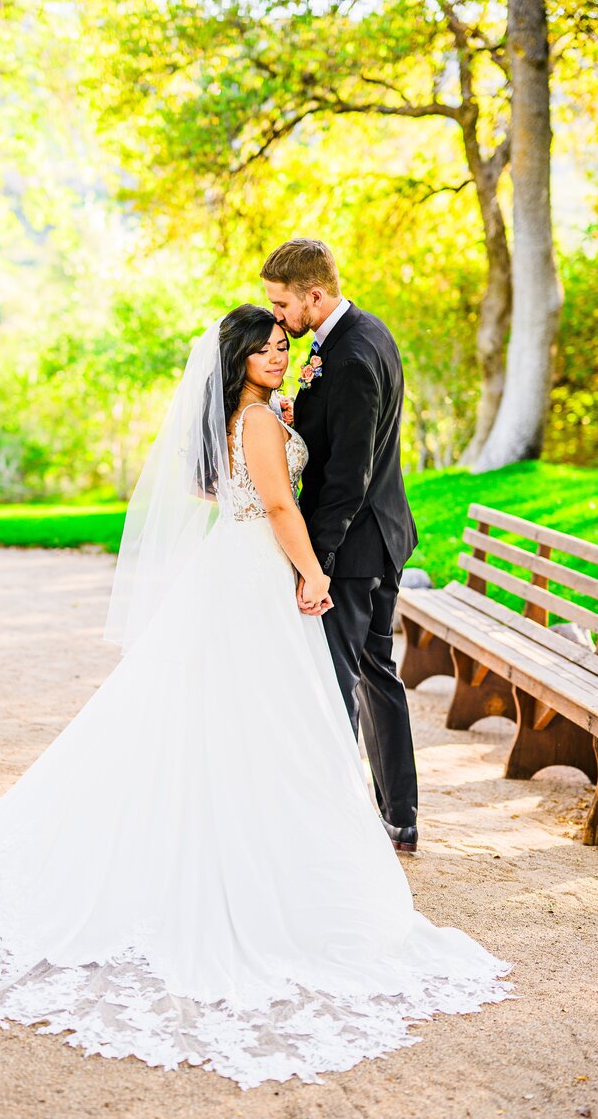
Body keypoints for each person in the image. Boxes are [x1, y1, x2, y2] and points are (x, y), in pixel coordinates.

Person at [0, 306, 511, 1090]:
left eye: (285, 346)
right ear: (238, 358)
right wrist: (312, 574)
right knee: (275, 721)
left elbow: (227, 494)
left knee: (243, 722)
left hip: (234, 572)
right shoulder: (262, 425)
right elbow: (278, 508)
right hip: (257, 580)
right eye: (268, 347)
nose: (281, 355)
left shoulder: (248, 418)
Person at [262, 239, 420, 854]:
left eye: (282, 305)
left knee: (334, 683)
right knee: (378, 674)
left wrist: (316, 564)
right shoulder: (364, 332)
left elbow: (348, 473)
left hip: (353, 550)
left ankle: (336, 832)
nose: (277, 317)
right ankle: (399, 818)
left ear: (314, 296)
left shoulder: (351, 355)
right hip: (382, 536)